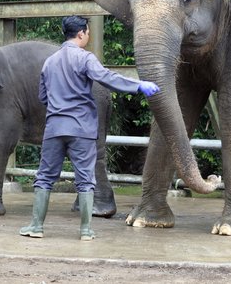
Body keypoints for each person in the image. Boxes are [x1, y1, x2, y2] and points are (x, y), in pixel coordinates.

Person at [19, 15, 160, 241]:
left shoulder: (49, 62)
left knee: (44, 177)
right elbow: (106, 78)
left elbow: (43, 96)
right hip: (81, 129)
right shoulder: (85, 59)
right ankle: (85, 230)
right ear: (82, 33)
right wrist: (138, 86)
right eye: (88, 32)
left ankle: (36, 227)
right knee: (85, 179)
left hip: (54, 128)